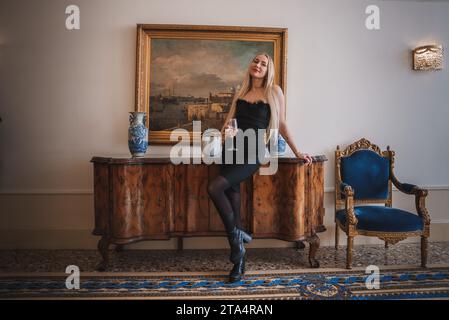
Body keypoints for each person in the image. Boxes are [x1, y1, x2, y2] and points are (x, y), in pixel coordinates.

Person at [207, 52, 313, 283]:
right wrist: (225, 134)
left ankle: (237, 242)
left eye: (263, 64)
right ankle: (239, 261)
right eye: (256, 61)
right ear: (250, 65)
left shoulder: (274, 91)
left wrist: (297, 151)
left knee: (214, 188)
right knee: (233, 199)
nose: (258, 65)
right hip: (231, 150)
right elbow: (229, 121)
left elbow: (282, 123)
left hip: (253, 151)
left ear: (268, 70)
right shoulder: (241, 91)